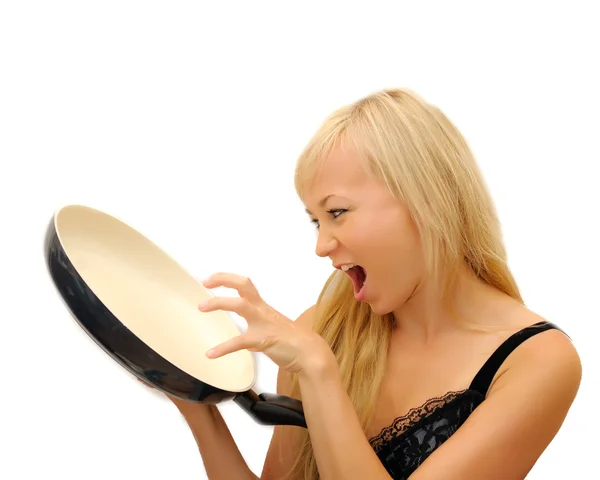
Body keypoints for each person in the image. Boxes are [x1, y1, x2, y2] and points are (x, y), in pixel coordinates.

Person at [152, 88, 582, 479]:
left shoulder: (536, 362)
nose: (321, 246)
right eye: (314, 221)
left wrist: (320, 373)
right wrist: (193, 400)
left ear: (424, 199)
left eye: (337, 212)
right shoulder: (324, 330)